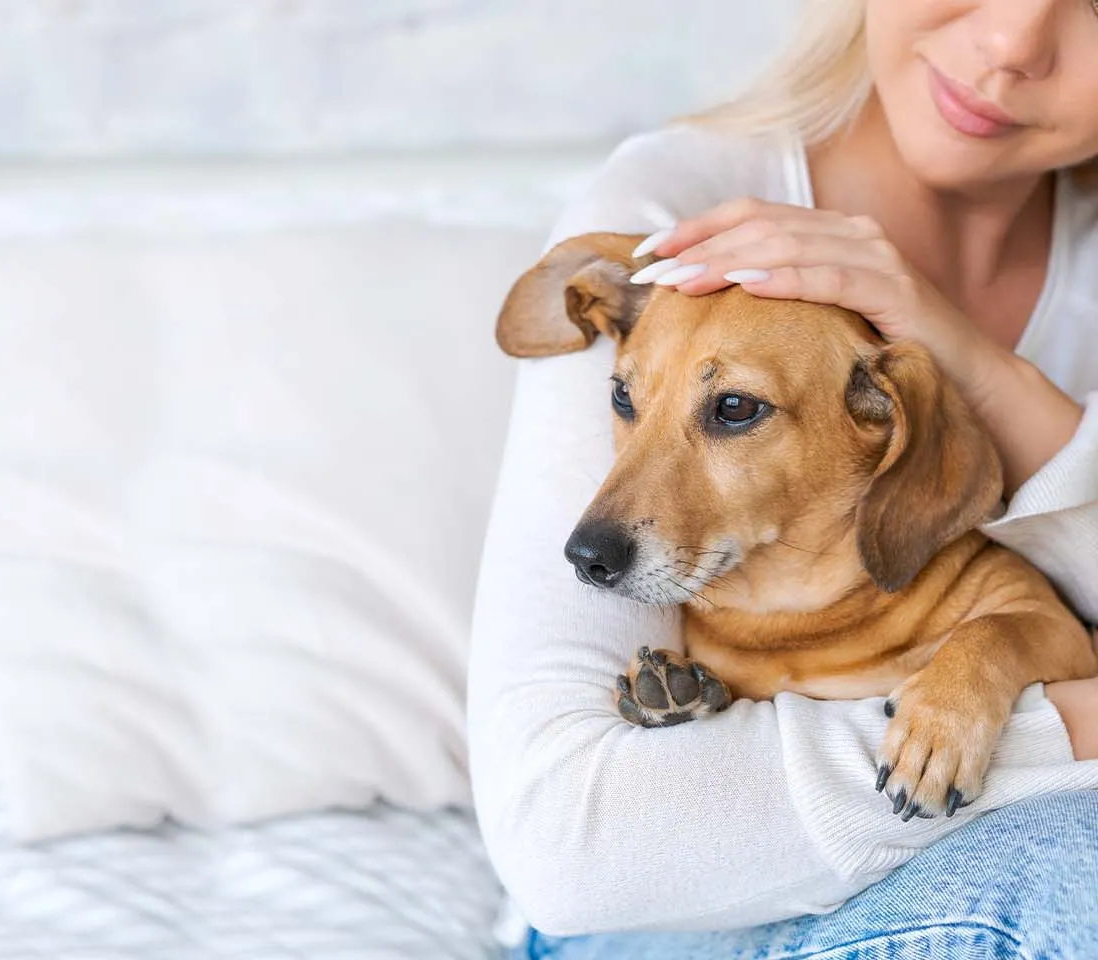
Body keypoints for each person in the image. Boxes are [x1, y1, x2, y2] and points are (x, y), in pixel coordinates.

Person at [465, 0, 1098, 956]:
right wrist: (1071, 732)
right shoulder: (671, 221)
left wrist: (993, 379)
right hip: (664, 910)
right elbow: (569, 842)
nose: (1011, 43)